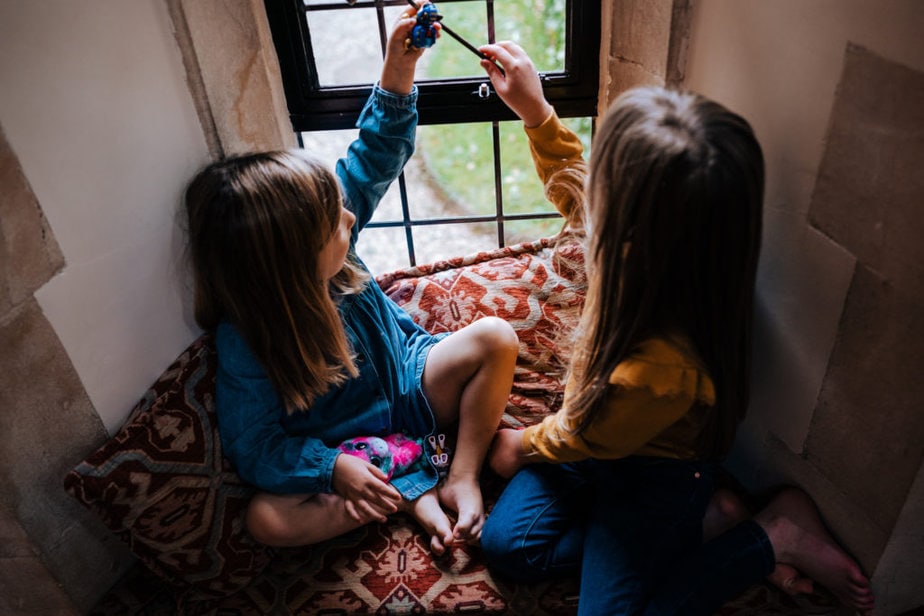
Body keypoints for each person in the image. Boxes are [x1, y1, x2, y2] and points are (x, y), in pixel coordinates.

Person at [477, 41, 875, 615]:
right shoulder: (664, 256)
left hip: (654, 477)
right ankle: (706, 529)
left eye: (610, 194)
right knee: (508, 549)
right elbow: (577, 189)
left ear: (636, 230)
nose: (595, 205)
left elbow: (589, 436)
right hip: (596, 442)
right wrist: (536, 114)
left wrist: (525, 446)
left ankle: (771, 537)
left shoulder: (660, 368)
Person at [183, 3, 518, 556]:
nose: (349, 219)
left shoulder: (339, 249)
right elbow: (254, 445)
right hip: (351, 449)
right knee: (268, 520)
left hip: (412, 386)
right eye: (335, 225)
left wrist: (398, 72)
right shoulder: (246, 340)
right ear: (292, 263)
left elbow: (374, 156)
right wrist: (332, 467)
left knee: (496, 337)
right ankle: (408, 489)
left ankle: (458, 475)